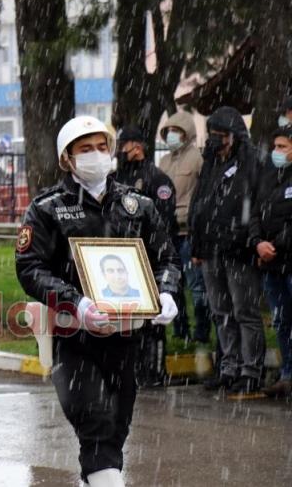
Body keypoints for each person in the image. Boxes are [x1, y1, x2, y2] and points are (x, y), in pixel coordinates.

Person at [15, 116, 180, 487]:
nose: (96, 155)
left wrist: (166, 291)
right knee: (96, 422)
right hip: (74, 340)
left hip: (126, 339)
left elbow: (167, 257)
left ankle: (98, 478)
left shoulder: (136, 205)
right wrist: (77, 304)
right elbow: (30, 268)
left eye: (102, 147)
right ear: (67, 159)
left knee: (115, 429)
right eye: (85, 149)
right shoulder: (47, 209)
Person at [188, 106, 265, 396]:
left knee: (244, 311)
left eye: (220, 136)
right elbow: (200, 204)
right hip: (211, 250)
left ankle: (251, 370)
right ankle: (229, 367)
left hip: (238, 249)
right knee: (221, 312)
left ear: (233, 136)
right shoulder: (211, 162)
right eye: (212, 135)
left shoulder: (251, 161)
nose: (214, 140)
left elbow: (252, 204)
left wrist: (244, 238)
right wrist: (197, 244)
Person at [114, 123, 178, 387]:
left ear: (136, 147)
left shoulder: (157, 178)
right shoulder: (118, 178)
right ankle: (133, 367)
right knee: (128, 317)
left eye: (123, 146)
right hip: (123, 260)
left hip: (149, 257)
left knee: (153, 320)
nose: (120, 151)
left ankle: (154, 369)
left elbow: (161, 221)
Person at [159, 111, 211, 343]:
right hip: (169, 233)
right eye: (169, 131)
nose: (172, 135)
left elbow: (205, 192)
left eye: (176, 131)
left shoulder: (197, 159)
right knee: (173, 286)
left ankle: (201, 332)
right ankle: (181, 331)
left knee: (197, 286)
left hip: (189, 232)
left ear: (186, 134)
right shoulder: (163, 161)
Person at [249, 125, 292, 398]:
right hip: (271, 264)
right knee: (282, 321)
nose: (276, 152)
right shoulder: (269, 177)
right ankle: (288, 374)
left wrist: (275, 243)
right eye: (275, 147)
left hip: (286, 258)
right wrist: (257, 242)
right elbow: (255, 214)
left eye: (282, 147)